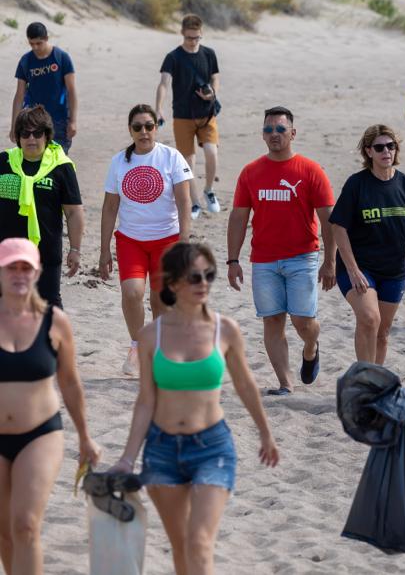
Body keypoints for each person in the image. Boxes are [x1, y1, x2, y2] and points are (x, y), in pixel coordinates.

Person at [108, 242, 279, 575]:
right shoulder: (149, 337)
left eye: (208, 275)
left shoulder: (225, 329)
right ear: (172, 284)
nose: (203, 283)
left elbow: (245, 385)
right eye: (194, 276)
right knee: (182, 547)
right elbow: (146, 401)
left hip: (212, 448)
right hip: (161, 450)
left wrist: (266, 434)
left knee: (199, 543)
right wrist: (128, 457)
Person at [0, 238, 100, 575]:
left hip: (40, 434)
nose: (18, 273)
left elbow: (70, 382)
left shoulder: (55, 322)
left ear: (38, 271)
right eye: (10, 266)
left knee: (26, 524)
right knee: (5, 534)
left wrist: (86, 437)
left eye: (25, 267)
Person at [227, 107, 336, 395]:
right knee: (273, 320)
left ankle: (311, 348)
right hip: (263, 260)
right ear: (262, 134)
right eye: (268, 129)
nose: (274, 135)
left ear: (292, 133)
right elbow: (238, 217)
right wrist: (233, 260)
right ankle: (285, 384)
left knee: (303, 323)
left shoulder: (311, 170)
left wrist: (330, 262)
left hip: (302, 257)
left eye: (280, 129)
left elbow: (328, 219)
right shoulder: (250, 172)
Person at [100, 104, 192, 376]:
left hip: (167, 239)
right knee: (132, 294)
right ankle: (137, 345)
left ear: (156, 128)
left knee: (160, 299)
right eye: (137, 127)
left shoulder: (171, 157)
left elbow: (184, 202)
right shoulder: (119, 162)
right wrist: (104, 249)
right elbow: (109, 208)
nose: (144, 132)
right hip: (131, 240)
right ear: (130, 130)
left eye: (149, 126)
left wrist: (184, 242)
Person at [330, 125, 405, 364]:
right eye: (379, 147)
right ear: (368, 152)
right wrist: (353, 270)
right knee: (369, 319)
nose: (386, 151)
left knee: (383, 333)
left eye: (391, 146)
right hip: (359, 267)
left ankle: (377, 381)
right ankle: (364, 378)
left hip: (394, 270)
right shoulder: (357, 184)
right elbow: (338, 227)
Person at [0, 106, 83, 308]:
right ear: (17, 137)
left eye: (37, 133)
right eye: (25, 133)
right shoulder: (4, 162)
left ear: (47, 136)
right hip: (6, 252)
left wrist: (75, 249)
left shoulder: (61, 166)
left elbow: (73, 212)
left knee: (49, 308)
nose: (31, 138)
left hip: (45, 252)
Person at [155, 14, 222, 220]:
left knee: (211, 152)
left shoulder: (209, 54)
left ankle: (208, 190)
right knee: (188, 161)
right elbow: (164, 83)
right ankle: (194, 203)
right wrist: (159, 108)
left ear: (201, 35)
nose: (193, 41)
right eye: (190, 37)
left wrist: (212, 92)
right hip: (183, 115)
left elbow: (215, 77)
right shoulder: (173, 57)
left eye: (197, 38)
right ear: (183, 33)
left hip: (206, 113)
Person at [9, 22, 77, 153]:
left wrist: (73, 121)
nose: (35, 47)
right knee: (35, 159)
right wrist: (14, 125)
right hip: (34, 121)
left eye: (38, 43)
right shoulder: (26, 61)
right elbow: (19, 94)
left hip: (59, 120)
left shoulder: (62, 58)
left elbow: (71, 90)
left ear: (46, 38)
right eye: (31, 43)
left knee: (58, 160)